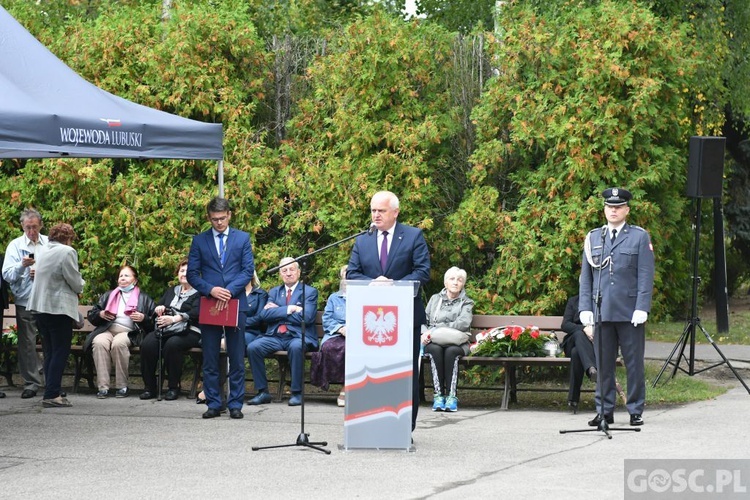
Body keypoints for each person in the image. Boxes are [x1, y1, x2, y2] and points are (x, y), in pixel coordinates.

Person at [347, 190, 431, 431]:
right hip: (369, 321)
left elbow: (423, 271)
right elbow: (353, 273)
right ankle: (371, 424)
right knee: (372, 370)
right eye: (373, 210)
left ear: (395, 212)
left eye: (381, 211)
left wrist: (395, 285)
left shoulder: (413, 236)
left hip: (405, 319)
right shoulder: (363, 239)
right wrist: (372, 283)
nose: (375, 215)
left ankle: (405, 428)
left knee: (405, 374)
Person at [579, 187, 655, 427]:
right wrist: (585, 308)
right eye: (610, 207)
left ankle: (635, 409)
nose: (613, 211)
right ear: (604, 209)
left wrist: (642, 306)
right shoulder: (594, 237)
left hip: (630, 311)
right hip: (602, 310)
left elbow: (645, 274)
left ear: (627, 210)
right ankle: (604, 410)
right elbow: (586, 277)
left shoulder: (639, 236)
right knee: (604, 364)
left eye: (618, 207)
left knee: (633, 363)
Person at [187, 197, 254, 420]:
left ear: (229, 215)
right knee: (210, 356)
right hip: (210, 303)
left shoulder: (242, 238)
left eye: (222, 218)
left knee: (236, 356)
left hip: (235, 303)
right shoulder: (199, 240)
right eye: (215, 219)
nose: (219, 223)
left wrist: (229, 291)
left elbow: (247, 270)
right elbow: (192, 275)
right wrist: (212, 290)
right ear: (209, 218)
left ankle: (235, 403)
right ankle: (214, 403)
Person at [27, 223, 85, 408]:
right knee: (61, 350)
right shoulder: (67, 251)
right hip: (58, 309)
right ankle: (52, 394)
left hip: (40, 307)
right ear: (68, 238)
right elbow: (74, 280)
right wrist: (81, 285)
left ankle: (52, 390)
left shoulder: (42, 250)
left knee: (50, 351)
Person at [247, 257, 318, 406]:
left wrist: (278, 312)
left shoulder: (309, 292)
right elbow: (265, 315)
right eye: (284, 270)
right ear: (280, 274)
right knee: (254, 347)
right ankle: (263, 392)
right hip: (276, 336)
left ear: (298, 272)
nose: (288, 273)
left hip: (297, 336)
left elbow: (307, 317)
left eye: (292, 269)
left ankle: (297, 393)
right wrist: (290, 309)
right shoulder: (274, 292)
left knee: (296, 347)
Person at [86, 265, 155, 399]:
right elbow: (92, 314)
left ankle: (121, 386)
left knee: (119, 343)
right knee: (99, 342)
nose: (123, 278)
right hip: (107, 329)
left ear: (135, 280)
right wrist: (100, 314)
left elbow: (153, 322)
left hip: (130, 332)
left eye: (127, 275)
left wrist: (143, 318)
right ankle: (103, 387)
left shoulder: (144, 298)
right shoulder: (108, 295)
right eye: (121, 276)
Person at [139, 258, 201, 401]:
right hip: (167, 329)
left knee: (172, 345)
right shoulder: (171, 291)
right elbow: (157, 310)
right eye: (181, 271)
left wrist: (175, 318)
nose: (184, 273)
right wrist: (159, 309)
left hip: (190, 330)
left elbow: (197, 313)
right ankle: (150, 387)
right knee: (148, 344)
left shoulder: (200, 292)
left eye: (188, 271)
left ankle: (174, 386)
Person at [2, 208, 48, 398]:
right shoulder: (15, 245)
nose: (31, 231)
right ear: (22, 226)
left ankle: (51, 380)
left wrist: (41, 273)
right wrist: (22, 266)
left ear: (41, 225)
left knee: (50, 341)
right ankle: (31, 382)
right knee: (27, 343)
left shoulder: (48, 244)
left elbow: (57, 269)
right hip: (25, 300)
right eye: (28, 227)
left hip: (46, 300)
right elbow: (7, 275)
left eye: (35, 227)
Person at [421, 266, 473, 412]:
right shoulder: (435, 299)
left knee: (451, 352)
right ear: (445, 282)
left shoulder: (467, 302)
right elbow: (423, 320)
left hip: (457, 342)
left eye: (459, 280)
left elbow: (463, 324)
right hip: (434, 340)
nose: (455, 282)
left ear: (463, 284)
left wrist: (437, 328)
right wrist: (424, 333)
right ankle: (438, 396)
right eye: (452, 279)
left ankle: (451, 396)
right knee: (435, 350)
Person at [310, 265, 348, 407]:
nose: (347, 278)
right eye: (344, 275)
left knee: (351, 350)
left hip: (356, 336)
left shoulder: (363, 296)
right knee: (328, 348)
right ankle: (333, 383)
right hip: (336, 334)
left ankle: (346, 388)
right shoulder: (334, 297)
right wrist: (340, 328)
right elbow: (327, 319)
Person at [560, 294, 596, 413]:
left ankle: (573, 400)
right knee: (579, 334)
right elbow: (565, 325)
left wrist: (594, 332)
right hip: (572, 342)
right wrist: (583, 329)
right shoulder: (573, 301)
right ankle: (591, 368)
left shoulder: (599, 300)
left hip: (593, 344)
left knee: (577, 354)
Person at [244, 271, 268, 347]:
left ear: (252, 276)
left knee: (239, 339)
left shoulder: (261, 294)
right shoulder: (233, 294)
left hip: (253, 332)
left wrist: (238, 323)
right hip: (230, 332)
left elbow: (259, 318)